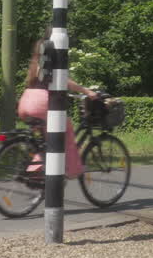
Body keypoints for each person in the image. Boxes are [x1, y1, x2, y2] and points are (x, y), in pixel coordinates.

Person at [17, 35, 100, 179]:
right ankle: (73, 170)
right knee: (66, 129)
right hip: (40, 102)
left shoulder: (35, 64)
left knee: (47, 139)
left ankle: (39, 168)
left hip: (26, 101)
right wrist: (87, 91)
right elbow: (64, 81)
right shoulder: (49, 63)